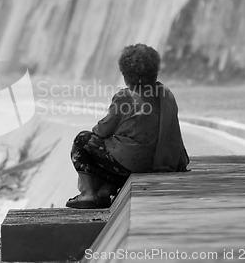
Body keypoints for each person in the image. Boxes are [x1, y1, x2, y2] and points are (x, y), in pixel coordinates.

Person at [66, 44, 189, 209]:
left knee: (83, 140)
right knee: (115, 146)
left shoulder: (125, 96)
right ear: (155, 71)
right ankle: (104, 191)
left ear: (125, 75)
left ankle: (88, 194)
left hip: (131, 163)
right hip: (157, 161)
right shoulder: (165, 94)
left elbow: (103, 129)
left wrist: (99, 132)